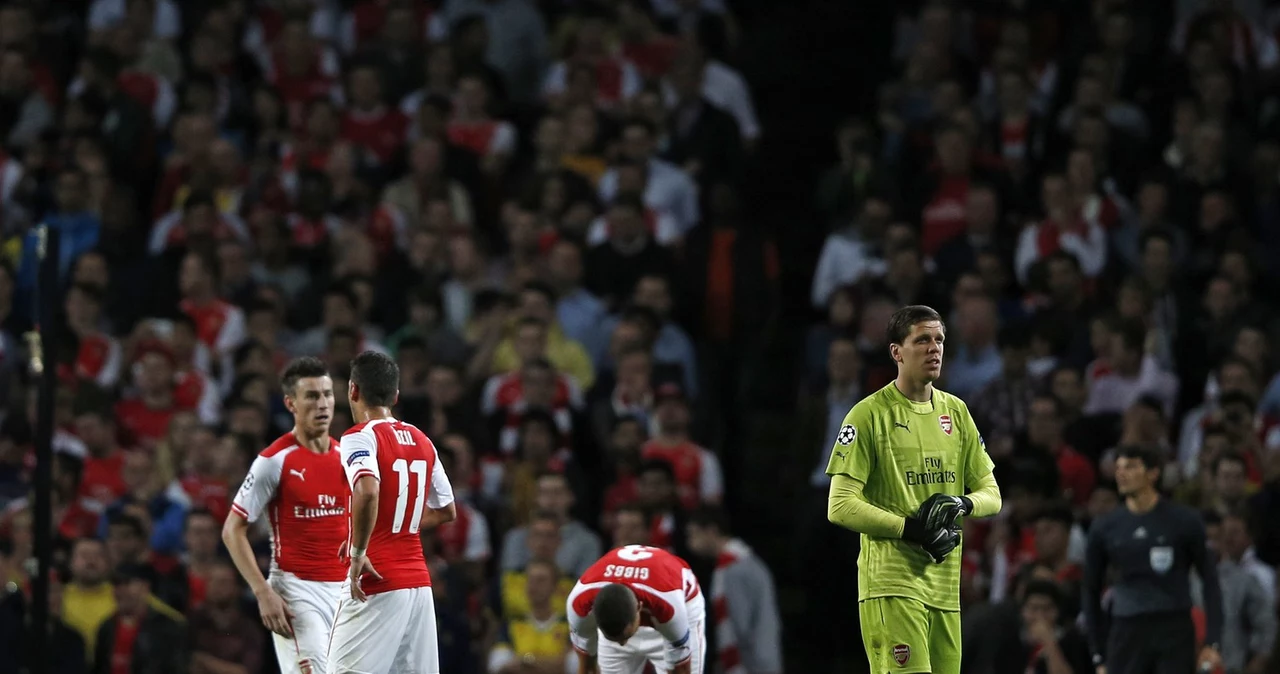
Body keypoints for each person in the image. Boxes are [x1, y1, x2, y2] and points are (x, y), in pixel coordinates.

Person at [826, 304, 1003, 674]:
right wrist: (909, 528)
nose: (934, 348)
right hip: (891, 583)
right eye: (922, 340)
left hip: (944, 586)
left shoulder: (956, 413)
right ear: (897, 352)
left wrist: (961, 503)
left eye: (939, 339)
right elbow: (840, 505)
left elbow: (992, 493)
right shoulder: (868, 415)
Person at [329, 350, 457, 674]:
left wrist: (359, 549)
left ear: (352, 391)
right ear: (395, 396)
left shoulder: (359, 437)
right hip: (418, 584)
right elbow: (446, 510)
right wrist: (383, 526)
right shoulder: (423, 441)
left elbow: (368, 490)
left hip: (375, 579)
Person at [222, 357, 350, 674]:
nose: (322, 404)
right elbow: (232, 530)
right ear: (290, 403)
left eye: (327, 394)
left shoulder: (348, 458)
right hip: (296, 592)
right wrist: (263, 592)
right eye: (312, 396)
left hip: (346, 593)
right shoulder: (274, 461)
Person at [1082, 445, 1223, 674]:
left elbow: (1210, 580)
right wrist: (1097, 654)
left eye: (1130, 466)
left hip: (1173, 629)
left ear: (1153, 473)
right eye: (1118, 467)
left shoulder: (1184, 521)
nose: (1121, 473)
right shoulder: (1105, 527)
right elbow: (1090, 589)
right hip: (1126, 630)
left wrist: (1213, 641)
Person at [566, 544, 705, 674]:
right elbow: (587, 666)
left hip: (678, 605)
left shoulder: (670, 609)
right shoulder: (579, 605)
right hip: (641, 611)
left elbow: (680, 669)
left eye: (623, 637)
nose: (622, 644)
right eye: (613, 638)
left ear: (639, 608)